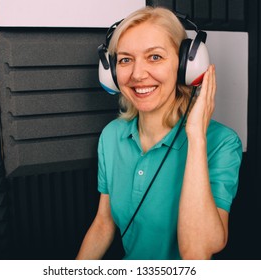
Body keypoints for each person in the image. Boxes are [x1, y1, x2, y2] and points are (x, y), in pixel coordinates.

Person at [76, 6, 242, 260]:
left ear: (186, 65)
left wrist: (196, 137)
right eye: (125, 60)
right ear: (110, 72)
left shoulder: (221, 143)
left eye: (155, 57)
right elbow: (104, 222)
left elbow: (196, 253)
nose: (137, 74)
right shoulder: (111, 136)